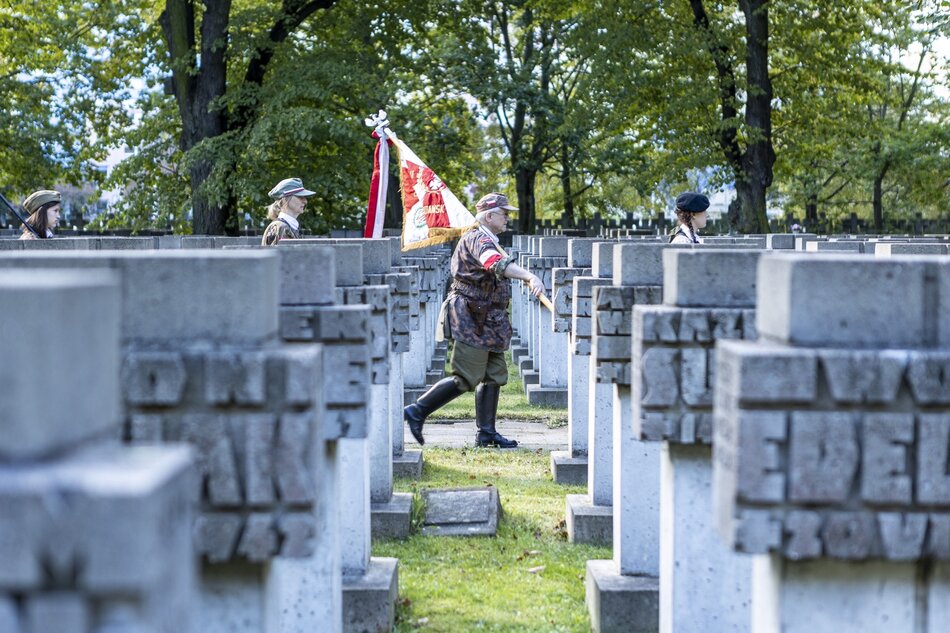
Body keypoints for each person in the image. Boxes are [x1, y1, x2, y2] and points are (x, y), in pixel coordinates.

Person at [404, 192, 545, 448]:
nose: (507, 219)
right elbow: (495, 264)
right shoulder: (479, 239)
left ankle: (486, 433)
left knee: (494, 374)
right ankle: (417, 410)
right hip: (471, 316)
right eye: (504, 214)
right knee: (466, 377)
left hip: (489, 318)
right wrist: (529, 277)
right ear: (489, 216)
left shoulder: (488, 238)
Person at [261, 177, 316, 246]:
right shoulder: (280, 227)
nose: (305, 201)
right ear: (285, 199)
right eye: (299, 197)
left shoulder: (288, 226)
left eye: (304, 197)